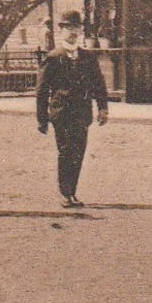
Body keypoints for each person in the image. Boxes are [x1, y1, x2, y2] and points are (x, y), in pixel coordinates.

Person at [35, 12, 110, 208]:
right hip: (61, 113)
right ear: (61, 30)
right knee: (66, 151)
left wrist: (103, 109)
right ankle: (65, 192)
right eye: (69, 28)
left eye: (76, 28)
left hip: (82, 113)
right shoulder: (53, 57)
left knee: (79, 152)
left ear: (81, 31)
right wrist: (42, 119)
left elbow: (99, 85)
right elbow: (42, 90)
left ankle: (72, 192)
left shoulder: (88, 57)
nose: (73, 32)